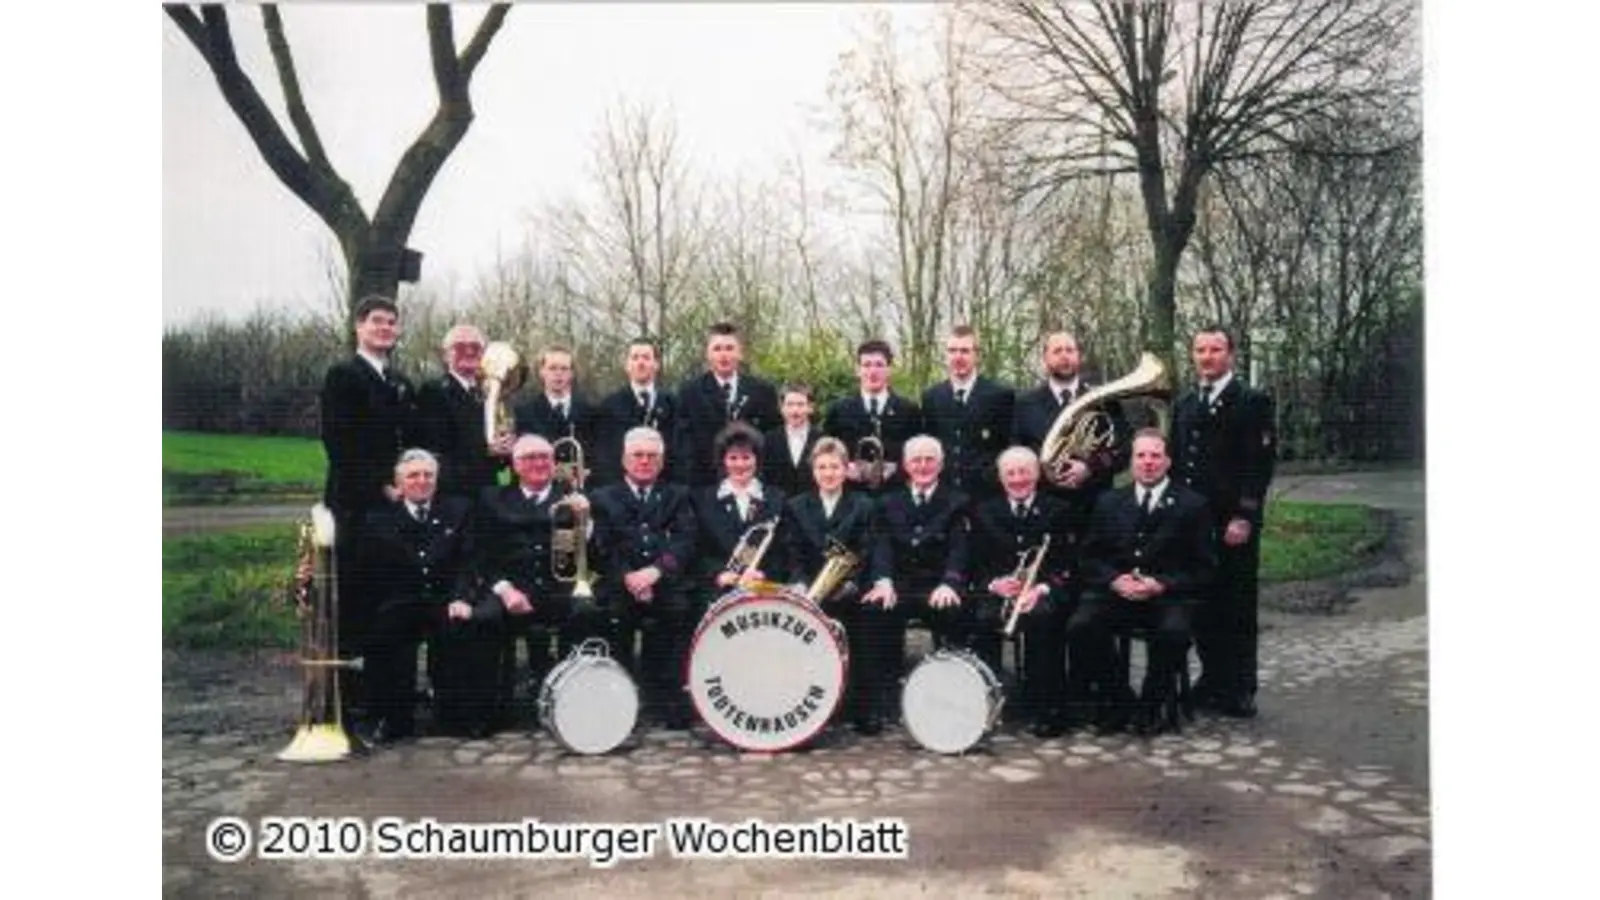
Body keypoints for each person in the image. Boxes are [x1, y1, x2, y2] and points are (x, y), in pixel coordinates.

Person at [1068, 429, 1217, 734]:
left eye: (1155, 455)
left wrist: (1161, 583)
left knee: (1173, 632)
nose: (1148, 462)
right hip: (1117, 593)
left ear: (1167, 461)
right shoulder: (1109, 501)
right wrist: (1113, 580)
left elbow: (1205, 568)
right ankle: (1119, 699)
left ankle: (1152, 703)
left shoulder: (1193, 504)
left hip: (1167, 596)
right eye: (1141, 455)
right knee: (1081, 626)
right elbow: (1089, 558)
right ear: (1131, 461)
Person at [1170, 326, 1277, 719]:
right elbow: (1179, 463)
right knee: (1202, 606)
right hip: (1193, 525)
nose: (1207, 357)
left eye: (1215, 349)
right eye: (1200, 350)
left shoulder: (1251, 401)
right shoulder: (1184, 403)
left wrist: (1245, 516)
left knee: (1236, 605)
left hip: (1233, 523)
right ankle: (1212, 680)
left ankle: (1241, 688)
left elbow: (1258, 466)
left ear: (1230, 355)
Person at [318, 295, 417, 710]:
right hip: (356, 506)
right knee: (357, 601)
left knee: (390, 600)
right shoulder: (343, 375)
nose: (385, 329)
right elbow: (339, 443)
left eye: (391, 323)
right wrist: (381, 485)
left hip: (392, 506)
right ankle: (351, 700)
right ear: (359, 327)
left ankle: (389, 692)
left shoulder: (399, 380)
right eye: (377, 321)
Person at [471, 434, 607, 734]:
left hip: (557, 589)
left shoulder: (572, 497)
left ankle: (573, 701)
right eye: (530, 457)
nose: (539, 463)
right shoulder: (493, 498)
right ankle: (491, 709)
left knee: (587, 612)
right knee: (485, 619)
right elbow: (481, 554)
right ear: (515, 465)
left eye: (544, 457)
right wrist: (505, 590)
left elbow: (595, 556)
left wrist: (586, 524)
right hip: (512, 589)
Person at [354, 449, 486, 744]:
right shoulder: (379, 519)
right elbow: (371, 572)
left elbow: (469, 562)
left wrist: (463, 597)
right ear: (399, 483)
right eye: (413, 475)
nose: (422, 481)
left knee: (463, 626)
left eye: (429, 475)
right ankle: (393, 718)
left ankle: (454, 716)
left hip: (444, 600)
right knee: (388, 631)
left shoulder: (459, 510)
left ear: (437, 480)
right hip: (401, 600)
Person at [777, 437, 894, 734]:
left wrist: (854, 583)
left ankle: (865, 709)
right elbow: (791, 552)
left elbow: (870, 549)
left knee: (870, 619)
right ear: (813, 471)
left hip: (850, 590)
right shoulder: (795, 506)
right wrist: (801, 584)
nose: (828, 473)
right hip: (810, 592)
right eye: (822, 467)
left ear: (846, 469)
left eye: (835, 466)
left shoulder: (865, 505)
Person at [588, 427, 699, 729]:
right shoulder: (601, 497)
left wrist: (656, 572)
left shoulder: (678, 495)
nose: (645, 461)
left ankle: (666, 698)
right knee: (610, 615)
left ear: (662, 462)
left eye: (652, 456)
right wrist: (628, 577)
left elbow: (685, 541)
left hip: (664, 581)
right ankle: (617, 700)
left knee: (678, 612)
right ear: (624, 459)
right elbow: (601, 547)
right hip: (619, 583)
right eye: (638, 455)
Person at [967, 446, 1077, 737]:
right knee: (981, 621)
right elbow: (974, 563)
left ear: (1038, 474)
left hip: (1039, 594)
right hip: (999, 593)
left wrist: (1040, 588)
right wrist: (994, 584)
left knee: (1044, 619)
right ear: (1001, 478)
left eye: (1024, 472)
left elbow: (1068, 562)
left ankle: (1046, 707)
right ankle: (986, 701)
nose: (1018, 479)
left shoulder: (1059, 510)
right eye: (1011, 473)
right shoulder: (984, 511)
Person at [1011, 330, 1131, 534]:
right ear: (1045, 359)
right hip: (1045, 508)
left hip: (1095, 507)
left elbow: (1125, 448)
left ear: (1079, 356)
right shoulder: (1024, 403)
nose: (1065, 356)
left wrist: (1089, 467)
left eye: (1070, 350)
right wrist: (1044, 471)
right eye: (1057, 351)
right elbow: (1015, 453)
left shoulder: (1103, 399)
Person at [874, 435, 972, 662]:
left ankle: (949, 684)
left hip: (938, 584)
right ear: (906, 465)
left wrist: (950, 583)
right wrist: (883, 580)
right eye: (916, 460)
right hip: (900, 586)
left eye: (930, 459)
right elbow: (882, 545)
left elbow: (960, 548)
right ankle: (885, 689)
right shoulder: (888, 502)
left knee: (953, 611)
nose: (923, 466)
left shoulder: (958, 501)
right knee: (876, 609)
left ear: (941, 464)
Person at [689, 423, 788, 608]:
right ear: (723, 461)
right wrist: (718, 575)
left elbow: (784, 550)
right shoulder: (703, 499)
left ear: (757, 459)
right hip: (717, 593)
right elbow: (697, 550)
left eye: (746, 457)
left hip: (763, 592)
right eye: (733, 458)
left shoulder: (777, 498)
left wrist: (763, 573)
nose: (740, 464)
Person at [674, 322, 782, 488]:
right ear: (707, 354)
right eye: (717, 349)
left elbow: (771, 440)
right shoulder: (689, 393)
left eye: (729, 348)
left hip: (753, 484)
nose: (723, 355)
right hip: (704, 486)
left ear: (740, 353)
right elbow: (683, 447)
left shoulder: (763, 391)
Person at [413, 324, 509, 504]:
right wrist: (486, 448)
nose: (469, 351)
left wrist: (507, 469)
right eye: (459, 347)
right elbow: (436, 450)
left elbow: (501, 460)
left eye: (476, 347)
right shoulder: (433, 392)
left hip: (494, 493)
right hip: (456, 497)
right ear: (445, 355)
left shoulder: (492, 393)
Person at [920, 325, 1016, 501]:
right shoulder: (931, 397)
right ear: (945, 355)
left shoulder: (1000, 396)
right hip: (944, 497)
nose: (958, 357)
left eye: (965, 351)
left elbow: (1007, 446)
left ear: (976, 355)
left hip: (987, 496)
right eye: (952, 351)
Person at [823, 339, 923, 495]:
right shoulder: (838, 410)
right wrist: (844, 469)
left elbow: (918, 455)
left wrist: (898, 471)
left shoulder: (909, 410)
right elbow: (826, 453)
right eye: (867, 365)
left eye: (879, 365)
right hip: (851, 498)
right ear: (857, 370)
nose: (873, 371)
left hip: (896, 497)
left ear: (889, 369)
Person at [593, 338, 678, 488]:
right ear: (627, 365)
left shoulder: (673, 404)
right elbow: (605, 456)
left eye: (646, 357)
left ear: (656, 364)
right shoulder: (609, 406)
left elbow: (677, 451)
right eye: (635, 357)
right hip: (621, 492)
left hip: (664, 492)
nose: (640, 363)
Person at [512, 344, 598, 478]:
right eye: (552, 368)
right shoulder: (524, 413)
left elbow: (597, 457)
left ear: (572, 373)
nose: (558, 374)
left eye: (564, 369)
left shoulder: (591, 412)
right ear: (542, 372)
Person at [761, 382, 822, 499]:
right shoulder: (769, 439)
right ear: (781, 408)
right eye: (790, 404)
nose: (795, 410)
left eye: (800, 404)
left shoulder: (821, 439)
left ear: (810, 408)